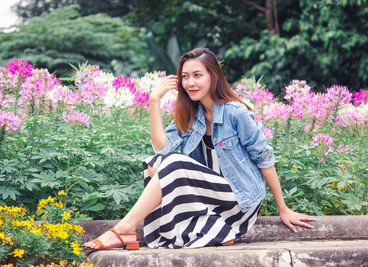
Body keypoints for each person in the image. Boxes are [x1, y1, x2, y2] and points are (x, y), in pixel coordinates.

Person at [84, 47, 315, 250]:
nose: (190, 83)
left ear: (213, 77)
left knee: (172, 163)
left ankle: (124, 228)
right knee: (158, 163)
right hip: (210, 196)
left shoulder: (236, 113)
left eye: (197, 75)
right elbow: (162, 150)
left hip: (239, 199)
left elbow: (264, 158)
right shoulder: (191, 115)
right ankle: (213, 230)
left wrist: (283, 208)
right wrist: (153, 101)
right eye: (185, 77)